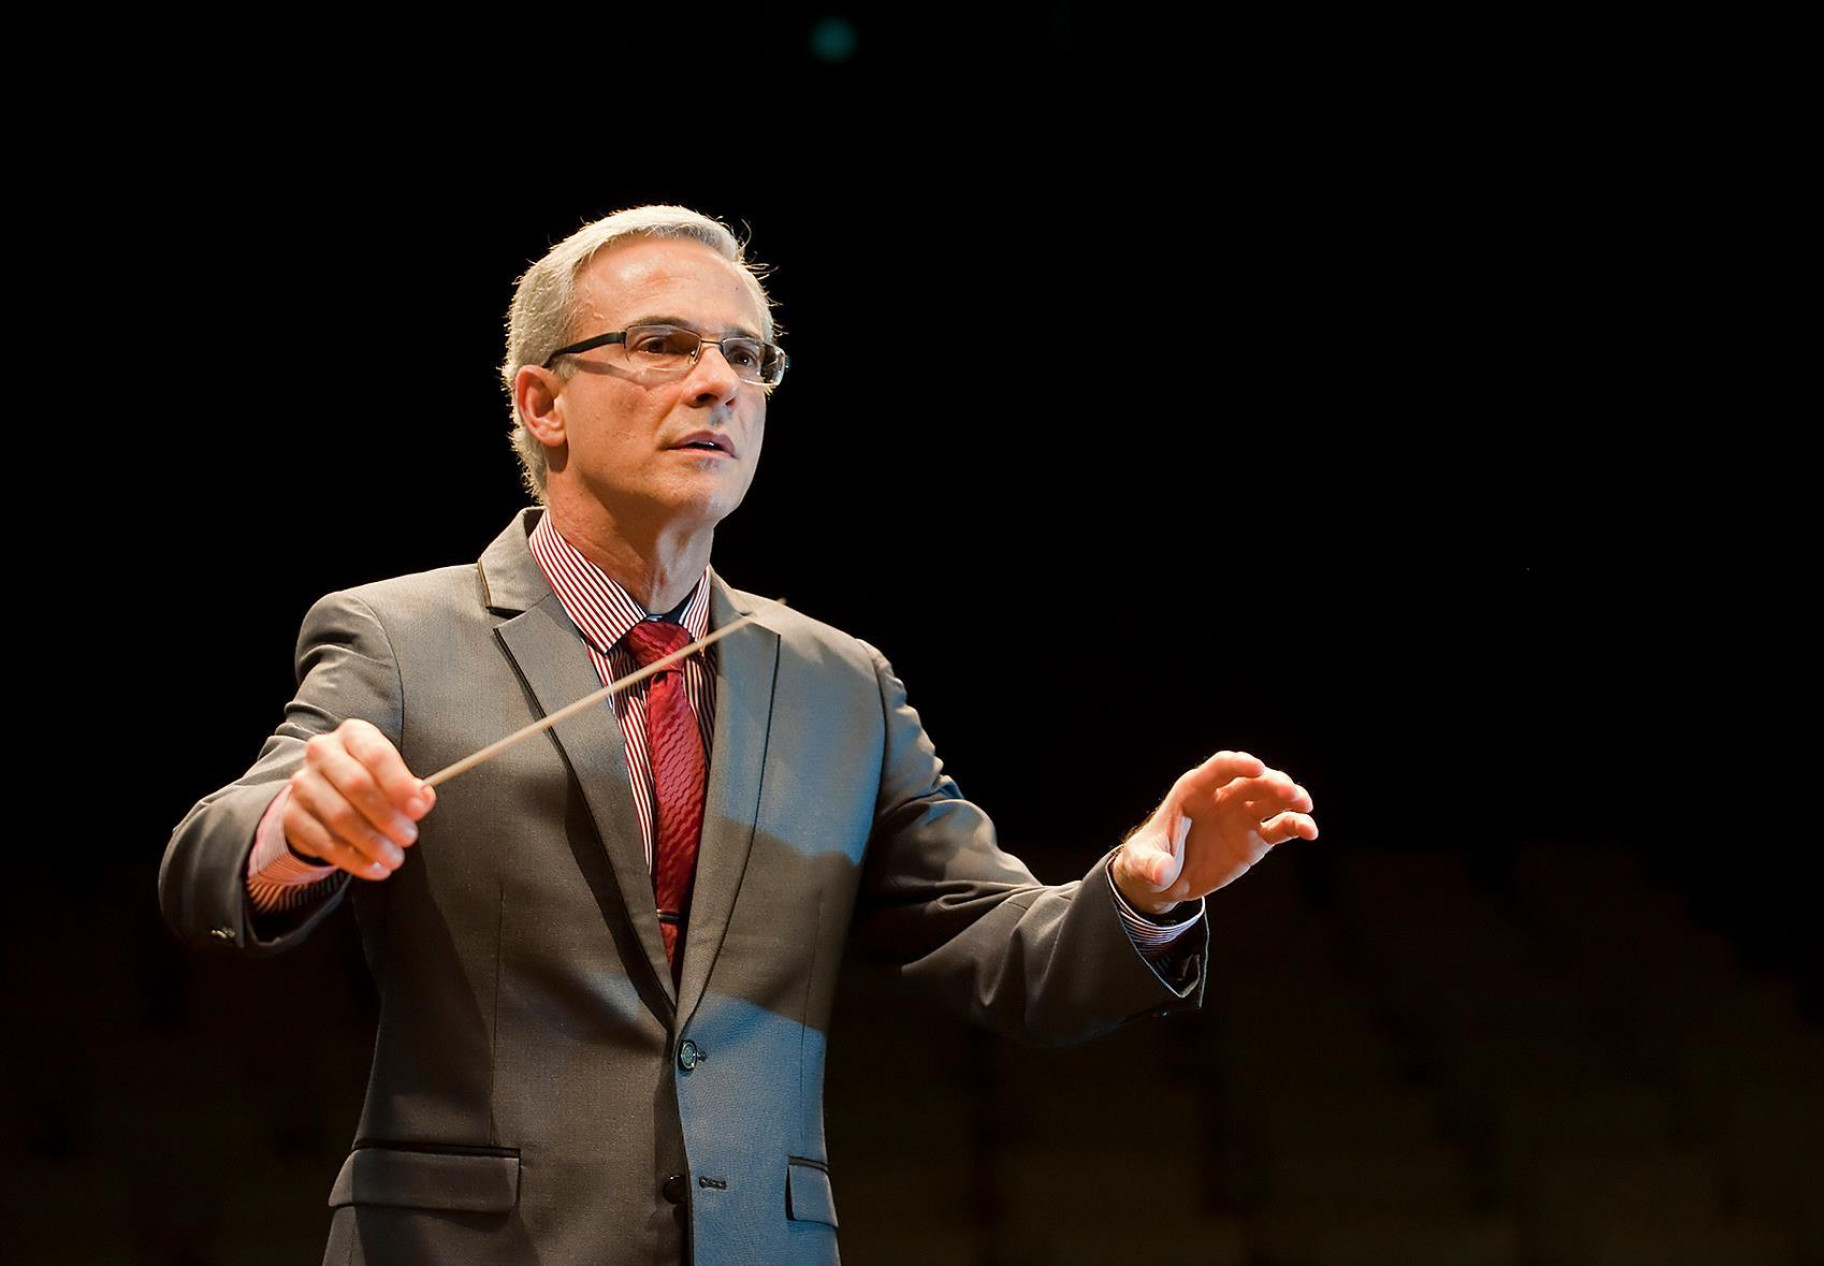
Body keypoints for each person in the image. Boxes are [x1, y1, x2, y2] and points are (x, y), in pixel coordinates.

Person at [159, 206, 1318, 1266]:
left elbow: (1003, 951)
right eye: (663, 345)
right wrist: (296, 831)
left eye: (746, 356)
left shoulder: (837, 681)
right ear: (540, 403)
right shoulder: (402, 635)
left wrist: (1143, 892)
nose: (717, 382)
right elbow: (215, 854)